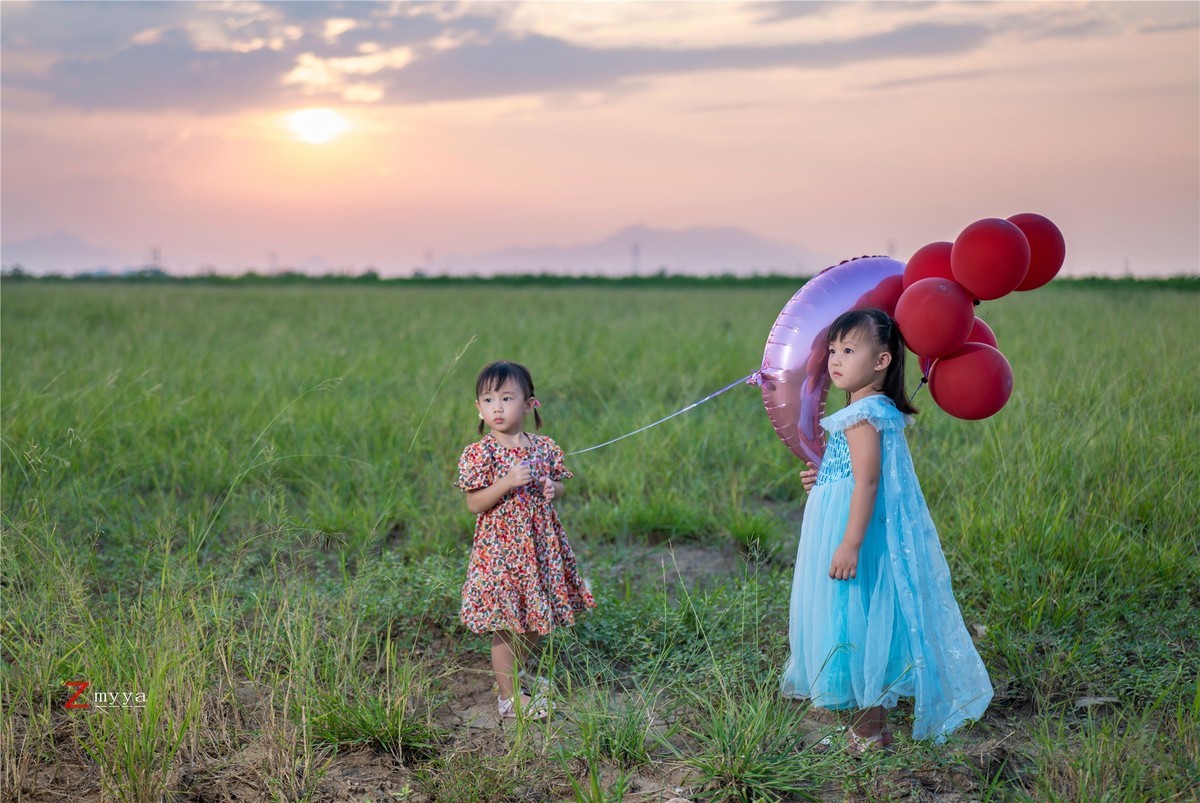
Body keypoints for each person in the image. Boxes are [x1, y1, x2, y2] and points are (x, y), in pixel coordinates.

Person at [781, 308, 992, 752]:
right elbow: (855, 474)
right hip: (849, 520)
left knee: (854, 623)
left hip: (854, 532)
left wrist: (850, 543)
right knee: (855, 620)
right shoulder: (867, 410)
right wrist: (824, 480)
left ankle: (870, 733)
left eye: (849, 350)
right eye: (833, 350)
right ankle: (868, 728)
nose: (835, 360)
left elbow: (869, 481)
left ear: (881, 362)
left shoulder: (863, 414)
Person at [455, 360, 595, 721]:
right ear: (479, 409)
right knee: (508, 620)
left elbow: (560, 486)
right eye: (488, 400)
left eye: (506, 398)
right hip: (502, 551)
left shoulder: (544, 447)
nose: (497, 408)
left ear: (530, 404)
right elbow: (474, 503)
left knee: (536, 613)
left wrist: (552, 487)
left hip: (540, 547)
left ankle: (514, 674)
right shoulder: (481, 453)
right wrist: (506, 482)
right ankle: (509, 698)